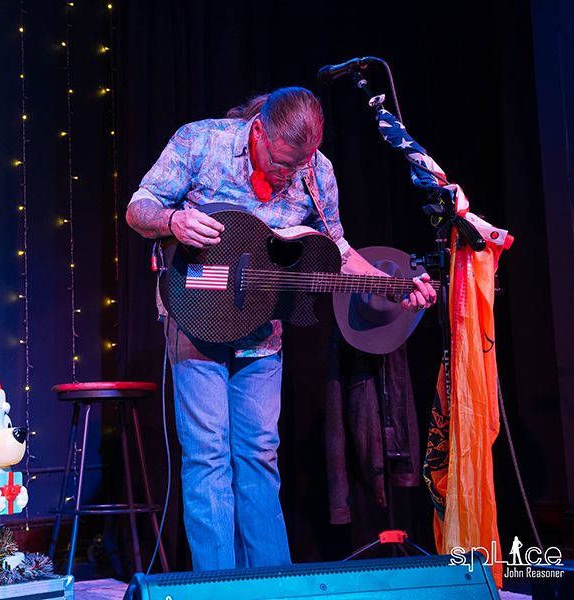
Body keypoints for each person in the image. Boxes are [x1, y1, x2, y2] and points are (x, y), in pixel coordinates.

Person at [125, 86, 436, 571]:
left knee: (259, 456)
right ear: (258, 132)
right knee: (207, 457)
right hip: (196, 319)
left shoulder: (318, 171)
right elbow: (138, 207)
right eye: (282, 163)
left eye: (299, 165)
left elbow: (339, 253)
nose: (289, 174)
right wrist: (173, 220)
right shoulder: (200, 142)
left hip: (262, 329)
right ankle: (219, 585)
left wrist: (395, 284)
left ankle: (271, 582)